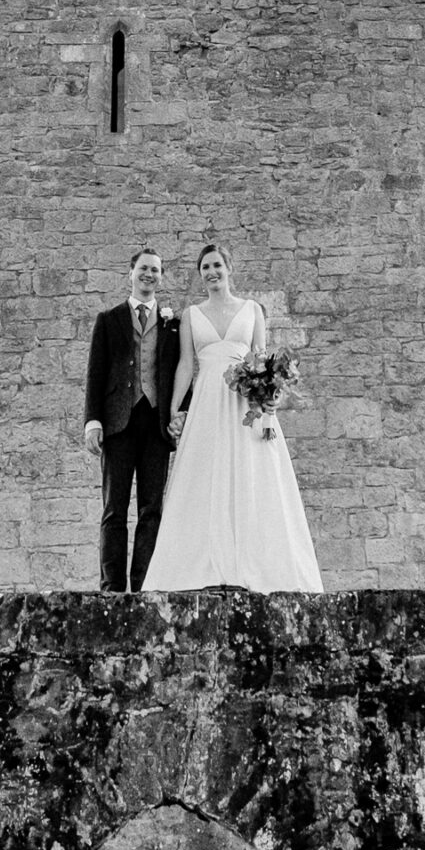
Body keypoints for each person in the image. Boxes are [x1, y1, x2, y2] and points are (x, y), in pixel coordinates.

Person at [142, 241, 322, 593]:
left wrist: (271, 398)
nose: (211, 273)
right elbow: (186, 366)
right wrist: (176, 409)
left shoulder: (253, 310)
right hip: (208, 400)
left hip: (245, 403)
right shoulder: (192, 315)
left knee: (252, 474)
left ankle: (253, 562)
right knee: (204, 475)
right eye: (205, 268)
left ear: (229, 269)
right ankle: (202, 562)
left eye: (216, 266)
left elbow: (262, 358)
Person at [83, 246, 183, 592]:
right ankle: (111, 585)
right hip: (118, 424)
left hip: (155, 425)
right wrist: (92, 421)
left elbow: (182, 372)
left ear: (161, 276)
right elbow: (95, 374)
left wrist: (179, 413)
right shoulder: (109, 320)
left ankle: (143, 584)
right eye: (144, 269)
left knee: (151, 508)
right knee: (114, 508)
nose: (149, 275)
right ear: (131, 272)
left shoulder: (173, 324)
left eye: (155, 270)